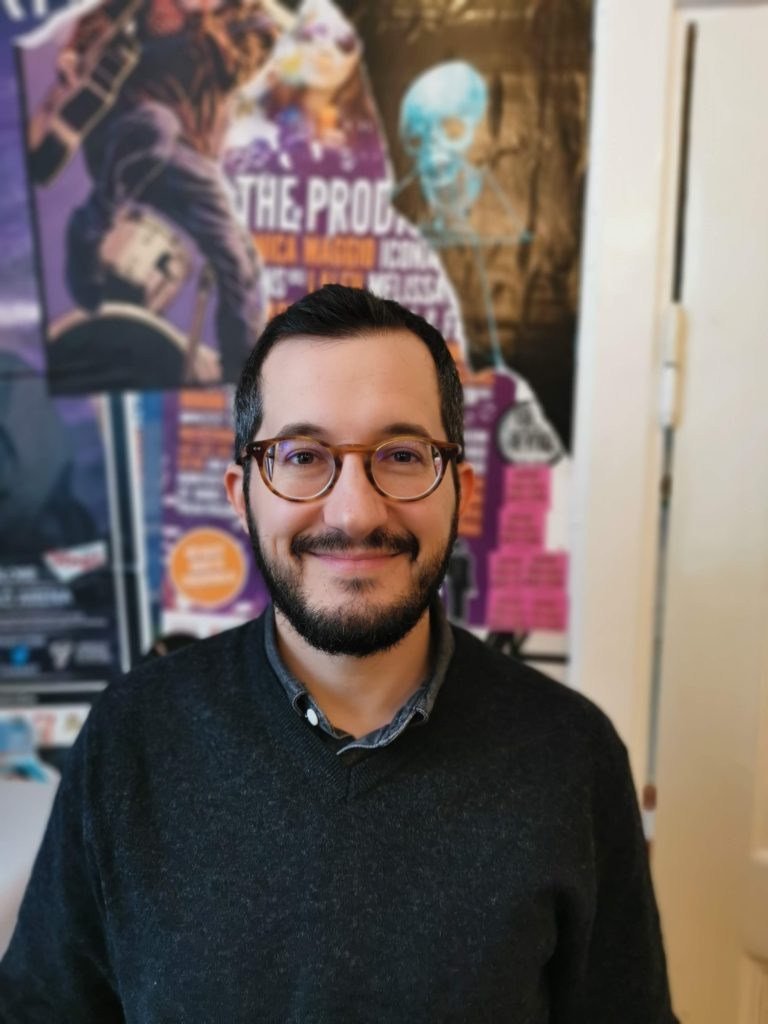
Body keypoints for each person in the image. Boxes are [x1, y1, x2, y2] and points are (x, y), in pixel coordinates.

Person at [0, 285, 678, 1022]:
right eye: (302, 455)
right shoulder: (130, 739)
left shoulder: (570, 754)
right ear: (241, 494)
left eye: (402, 454)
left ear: (459, 490)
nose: (355, 512)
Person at [57, 0, 291, 381]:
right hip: (127, 129)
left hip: (189, 156)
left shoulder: (257, 20)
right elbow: (100, 19)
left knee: (239, 262)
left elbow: (230, 68)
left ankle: (241, 377)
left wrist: (196, 15)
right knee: (157, 123)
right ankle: (90, 229)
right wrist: (76, 53)